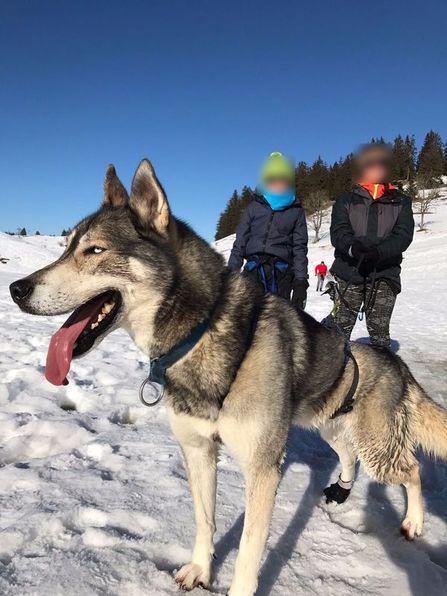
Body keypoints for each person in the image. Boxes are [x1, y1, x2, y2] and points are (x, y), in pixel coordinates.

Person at [329, 143, 414, 348]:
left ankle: (384, 376)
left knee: (379, 331)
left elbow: (403, 235)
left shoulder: (401, 201)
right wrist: (353, 248)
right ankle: (335, 376)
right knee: (338, 331)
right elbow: (338, 232)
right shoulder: (346, 199)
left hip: (384, 272)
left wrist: (380, 252)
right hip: (349, 271)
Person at [228, 152, 308, 308]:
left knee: (279, 323)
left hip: (282, 273)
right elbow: (240, 243)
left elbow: (299, 248)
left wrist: (300, 281)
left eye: (282, 179)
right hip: (253, 270)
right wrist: (231, 274)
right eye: (272, 179)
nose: (277, 184)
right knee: (248, 318)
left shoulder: (296, 211)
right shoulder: (253, 208)